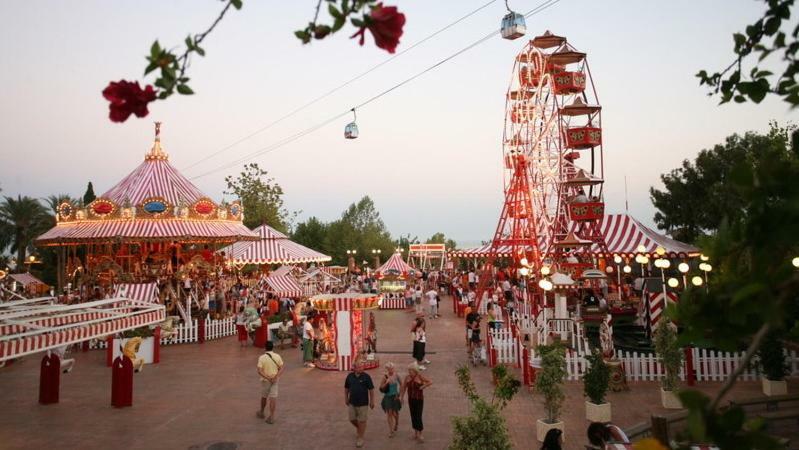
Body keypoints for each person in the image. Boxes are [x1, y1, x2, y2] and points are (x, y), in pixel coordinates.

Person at [345, 363, 375, 448]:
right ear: (354, 368)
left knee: (362, 420)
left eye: (362, 367)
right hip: (352, 402)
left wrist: (372, 401)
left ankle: (360, 438)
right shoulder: (349, 376)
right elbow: (346, 388)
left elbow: (371, 390)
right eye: (359, 367)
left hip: (363, 403)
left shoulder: (366, 377)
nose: (361, 368)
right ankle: (360, 428)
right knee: (352, 419)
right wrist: (346, 398)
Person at [401, 361, 432, 443]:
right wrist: (402, 397)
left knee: (418, 415)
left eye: (410, 370)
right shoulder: (407, 377)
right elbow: (404, 387)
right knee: (413, 415)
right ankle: (415, 433)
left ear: (415, 370)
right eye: (409, 370)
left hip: (419, 399)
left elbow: (430, 382)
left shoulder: (419, 376)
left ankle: (420, 433)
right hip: (411, 399)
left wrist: (423, 386)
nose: (409, 372)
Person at [256, 341, 284, 424]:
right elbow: (282, 368)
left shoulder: (262, 358)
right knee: (273, 398)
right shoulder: (277, 356)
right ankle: (271, 416)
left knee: (264, 397)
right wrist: (276, 377)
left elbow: (259, 371)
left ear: (265, 348)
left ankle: (261, 412)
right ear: (273, 347)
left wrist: (267, 377)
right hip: (275, 380)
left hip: (266, 381)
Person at [379, 362, 402, 438]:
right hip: (388, 397)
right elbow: (381, 387)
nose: (391, 370)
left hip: (395, 396)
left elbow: (402, 384)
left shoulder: (396, 375)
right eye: (389, 369)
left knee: (395, 413)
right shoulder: (385, 377)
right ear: (387, 369)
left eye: (392, 368)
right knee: (389, 413)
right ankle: (391, 430)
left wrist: (399, 394)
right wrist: (386, 383)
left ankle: (397, 423)